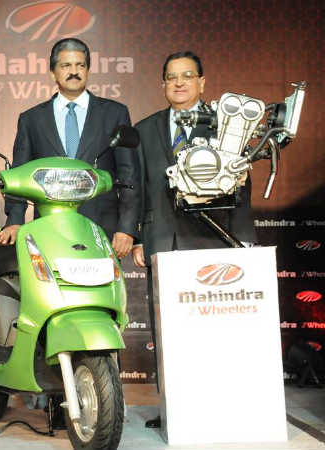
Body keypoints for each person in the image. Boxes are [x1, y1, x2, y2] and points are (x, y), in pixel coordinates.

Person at [133, 51, 257, 428]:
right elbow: (138, 188)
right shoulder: (145, 129)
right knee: (167, 331)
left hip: (214, 238)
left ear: (202, 82)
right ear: (163, 84)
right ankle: (174, 412)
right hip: (163, 240)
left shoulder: (226, 127)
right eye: (172, 77)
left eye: (187, 76)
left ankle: (218, 410)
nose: (179, 83)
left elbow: (243, 186)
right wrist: (138, 237)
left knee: (213, 332)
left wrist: (244, 239)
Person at [0, 37, 141, 258]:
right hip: (48, 229)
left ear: (88, 70)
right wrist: (14, 220)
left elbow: (129, 174)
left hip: (102, 229)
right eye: (66, 66)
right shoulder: (32, 119)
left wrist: (126, 228)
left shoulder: (114, 113)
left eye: (80, 65)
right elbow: (19, 175)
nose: (74, 71)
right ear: (52, 73)